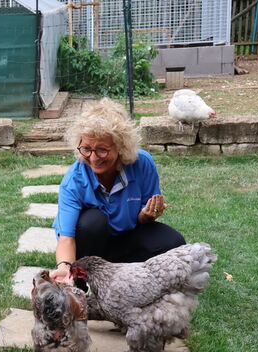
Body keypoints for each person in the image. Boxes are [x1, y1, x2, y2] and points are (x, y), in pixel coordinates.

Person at [50, 98, 185, 285]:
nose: (93, 157)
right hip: (89, 245)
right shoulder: (73, 180)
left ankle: (124, 276)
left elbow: (141, 220)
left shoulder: (142, 164)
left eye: (102, 150)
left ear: (121, 147)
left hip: (124, 239)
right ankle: (82, 280)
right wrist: (64, 266)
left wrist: (146, 216)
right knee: (92, 221)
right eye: (86, 149)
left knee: (173, 242)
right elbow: (66, 238)